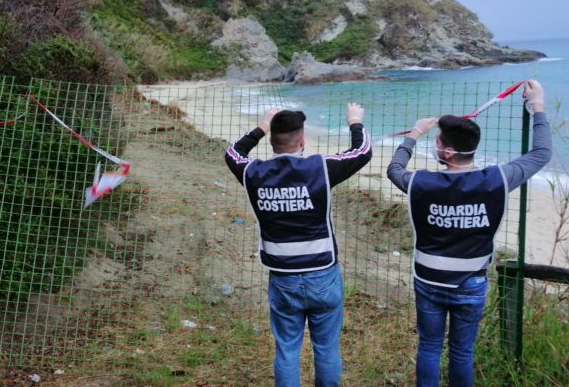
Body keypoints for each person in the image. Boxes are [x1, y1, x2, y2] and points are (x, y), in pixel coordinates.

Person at [386, 80, 552, 387]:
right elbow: (541, 153)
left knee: (430, 347)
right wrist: (537, 106)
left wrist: (413, 135)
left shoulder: (421, 183)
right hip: (471, 282)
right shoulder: (498, 179)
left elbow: (395, 169)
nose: (434, 145)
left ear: (447, 152)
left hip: (429, 280)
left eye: (436, 142)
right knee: (462, 351)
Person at [224, 104, 372, 387]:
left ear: (271, 141)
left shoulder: (254, 173)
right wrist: (355, 122)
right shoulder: (320, 168)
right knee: (326, 348)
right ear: (302, 141)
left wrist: (262, 125)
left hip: (282, 278)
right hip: (323, 275)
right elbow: (362, 151)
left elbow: (232, 154)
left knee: (287, 350)